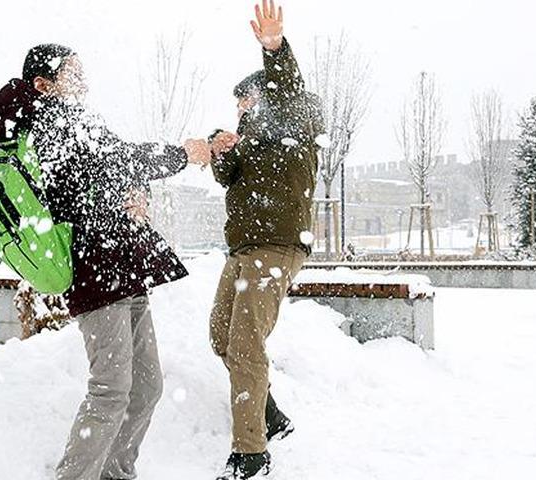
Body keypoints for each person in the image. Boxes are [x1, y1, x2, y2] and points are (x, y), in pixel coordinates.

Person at [0, 44, 212, 480]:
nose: (84, 80)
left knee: (146, 387)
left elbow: (107, 173)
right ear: (43, 84)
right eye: (73, 72)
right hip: (95, 270)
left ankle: (115, 475)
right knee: (111, 389)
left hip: (123, 266)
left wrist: (130, 193)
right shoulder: (48, 123)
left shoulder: (77, 121)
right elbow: (112, 165)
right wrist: (181, 155)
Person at [206, 1, 325, 478]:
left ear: (267, 97)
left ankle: (251, 453)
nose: (242, 111)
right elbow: (227, 177)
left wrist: (274, 49)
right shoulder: (249, 142)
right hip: (243, 250)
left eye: (248, 102)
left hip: (277, 247)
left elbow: (290, 91)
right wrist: (220, 148)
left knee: (245, 343)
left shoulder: (295, 122)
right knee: (222, 337)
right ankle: (270, 415)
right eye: (238, 106)